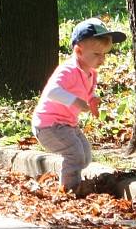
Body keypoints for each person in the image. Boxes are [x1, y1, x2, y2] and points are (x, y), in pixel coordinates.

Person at [32, 18, 126, 194]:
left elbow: (88, 93)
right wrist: (75, 101)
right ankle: (70, 189)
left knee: (85, 156)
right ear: (78, 51)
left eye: (105, 54)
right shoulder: (68, 70)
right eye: (97, 54)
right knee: (75, 154)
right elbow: (52, 91)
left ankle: (69, 179)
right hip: (48, 125)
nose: (102, 59)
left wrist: (93, 100)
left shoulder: (91, 73)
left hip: (67, 124)